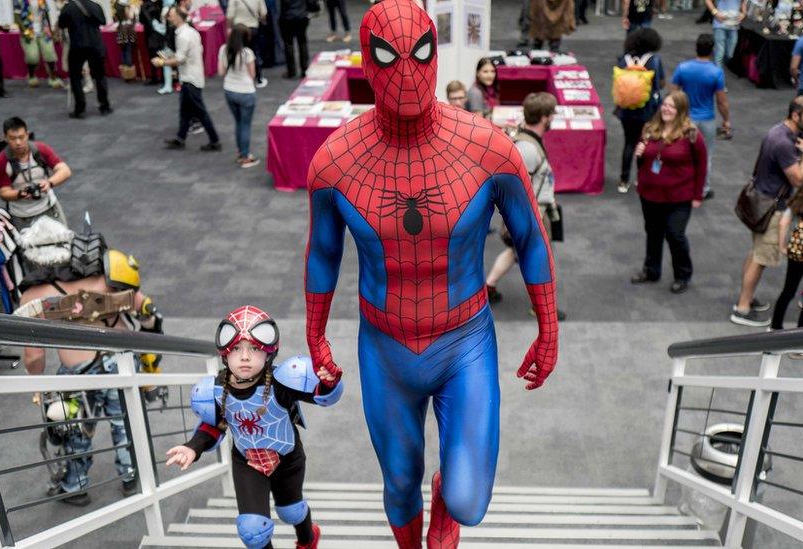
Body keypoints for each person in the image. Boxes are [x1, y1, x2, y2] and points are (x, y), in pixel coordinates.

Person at [305, 2, 559, 546]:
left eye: (420, 55)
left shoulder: (489, 149)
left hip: (464, 339)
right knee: (398, 484)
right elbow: (323, 252)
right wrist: (315, 332)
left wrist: (549, 327)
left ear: (436, 55)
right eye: (387, 58)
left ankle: (445, 502)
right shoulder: (334, 161)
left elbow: (533, 238)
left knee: (467, 501)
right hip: (384, 344)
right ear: (366, 64)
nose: (405, 74)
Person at [165, 306, 341, 549]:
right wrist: (192, 447)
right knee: (252, 532)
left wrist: (328, 383)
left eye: (254, 348)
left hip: (287, 459)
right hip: (247, 461)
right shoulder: (217, 390)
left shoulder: (282, 382)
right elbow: (214, 425)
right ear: (224, 354)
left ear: (269, 353)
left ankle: (308, 539)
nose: (245, 356)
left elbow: (321, 395)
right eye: (236, 348)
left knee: (291, 511)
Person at [16, 238, 162, 505]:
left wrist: (36, 384)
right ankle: (132, 477)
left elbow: (34, 355)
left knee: (74, 428)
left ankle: (75, 485)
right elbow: (145, 308)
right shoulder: (106, 274)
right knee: (125, 422)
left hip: (77, 372)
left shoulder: (32, 296)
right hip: (121, 359)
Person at [486, 92, 566, 320]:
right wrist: (523, 221)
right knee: (540, 261)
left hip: (530, 213)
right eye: (551, 114)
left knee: (515, 252)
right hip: (532, 215)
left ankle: (489, 288)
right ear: (544, 117)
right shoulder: (528, 149)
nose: (553, 118)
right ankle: (541, 308)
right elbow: (517, 187)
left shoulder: (525, 138)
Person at [732, 97, 803, 326]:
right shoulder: (784, 143)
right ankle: (742, 308)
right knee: (761, 258)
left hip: (760, 201)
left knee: (755, 252)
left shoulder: (778, 132)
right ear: (796, 115)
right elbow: (799, 178)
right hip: (771, 207)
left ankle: (746, 298)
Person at [630, 91, 706, 294]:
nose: (666, 109)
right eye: (664, 104)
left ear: (681, 110)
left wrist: (698, 195)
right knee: (653, 233)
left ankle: (682, 275)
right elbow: (642, 161)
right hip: (650, 193)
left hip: (679, 197)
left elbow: (701, 165)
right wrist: (639, 155)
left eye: (672, 106)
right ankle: (651, 270)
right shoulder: (649, 129)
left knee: (675, 234)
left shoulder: (691, 134)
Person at [671, 33, 729, 198]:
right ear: (712, 51)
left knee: (682, 152)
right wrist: (726, 120)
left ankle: (681, 186)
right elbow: (721, 101)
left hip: (686, 118)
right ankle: (703, 189)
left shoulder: (683, 68)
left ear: (696, 48)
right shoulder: (716, 72)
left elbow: (674, 94)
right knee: (706, 155)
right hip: (707, 120)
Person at [157, 6, 222, 151]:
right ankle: (180, 138)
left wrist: (162, 62)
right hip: (193, 76)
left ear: (179, 17)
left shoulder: (182, 36)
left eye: (171, 15)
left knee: (200, 112)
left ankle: (215, 140)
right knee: (185, 111)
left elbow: (179, 59)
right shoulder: (191, 32)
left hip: (189, 79)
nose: (169, 18)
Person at [0, 117, 72, 231]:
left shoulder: (40, 150)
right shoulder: (1, 162)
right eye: (12, 138)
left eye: (21, 137)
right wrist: (20, 194)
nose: (18, 142)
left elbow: (65, 170)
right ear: (5, 138)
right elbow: (3, 192)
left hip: (49, 208)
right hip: (21, 217)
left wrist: (49, 183)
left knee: (63, 243)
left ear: (27, 135)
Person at [615, 28, 664, 193]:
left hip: (625, 110)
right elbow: (659, 85)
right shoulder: (654, 61)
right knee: (643, 143)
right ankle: (640, 178)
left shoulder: (624, 59)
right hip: (646, 110)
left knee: (628, 143)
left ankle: (623, 180)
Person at [58, 0, 111, 118]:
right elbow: (103, 21)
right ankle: (104, 106)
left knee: (75, 77)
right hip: (95, 45)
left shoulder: (68, 7)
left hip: (78, 46)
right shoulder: (95, 6)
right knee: (100, 76)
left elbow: (61, 24)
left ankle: (80, 108)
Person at [220, 25, 260, 168]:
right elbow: (253, 74)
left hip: (229, 90)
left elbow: (221, 72)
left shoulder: (224, 50)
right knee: (245, 125)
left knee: (238, 122)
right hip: (246, 92)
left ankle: (240, 152)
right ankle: (245, 156)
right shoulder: (247, 53)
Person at [771, 188, 803, 330]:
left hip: (796, 250)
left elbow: (783, 223)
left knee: (788, 290)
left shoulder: (799, 197)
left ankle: (775, 326)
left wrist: (782, 246)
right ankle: (801, 333)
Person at [13, 0, 64, 88]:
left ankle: (53, 78)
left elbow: (46, 13)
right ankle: (32, 76)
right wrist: (24, 30)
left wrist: (50, 30)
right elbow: (16, 16)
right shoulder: (18, 1)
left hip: (44, 30)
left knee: (50, 54)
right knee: (32, 56)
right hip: (28, 31)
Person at [226, 0, 268, 87]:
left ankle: (238, 76)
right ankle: (258, 77)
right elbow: (263, 13)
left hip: (238, 29)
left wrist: (229, 27)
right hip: (253, 28)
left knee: (237, 52)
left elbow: (230, 15)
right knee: (254, 52)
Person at [139, 0, 172, 89]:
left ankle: (155, 77)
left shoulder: (144, 6)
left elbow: (142, 20)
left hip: (151, 34)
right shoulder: (160, 3)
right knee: (161, 54)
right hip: (161, 33)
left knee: (152, 55)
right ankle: (163, 77)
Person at [706, 0, 746, 68]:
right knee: (720, 53)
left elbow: (743, 2)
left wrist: (744, 13)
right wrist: (715, 13)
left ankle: (716, 60)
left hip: (734, 25)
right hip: (720, 24)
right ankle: (717, 74)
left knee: (729, 54)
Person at [278, 0, 309, 79]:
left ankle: (291, 71)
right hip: (301, 15)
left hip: (287, 17)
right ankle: (305, 69)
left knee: (288, 44)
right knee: (302, 43)